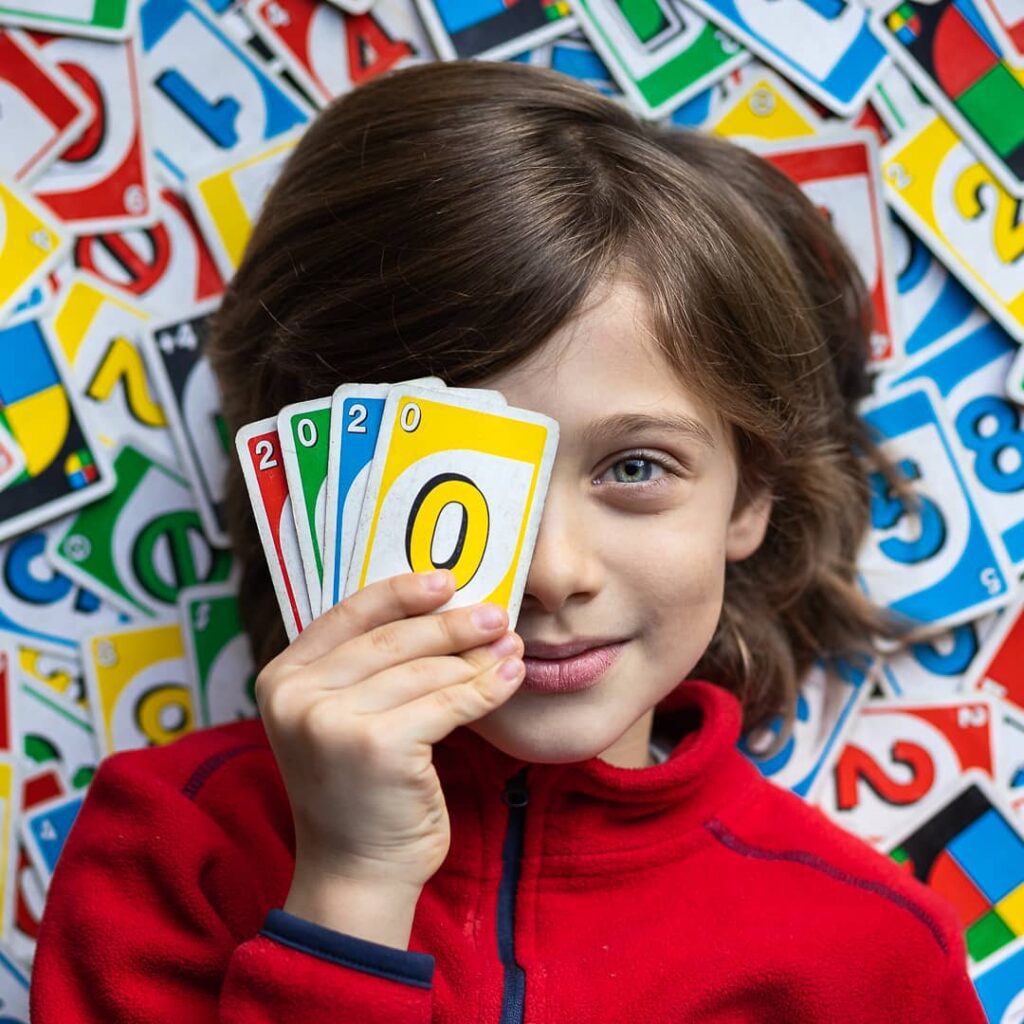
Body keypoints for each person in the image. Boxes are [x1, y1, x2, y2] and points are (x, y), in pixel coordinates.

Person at [31, 60, 986, 1021]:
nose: (551, 573)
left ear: (752, 497)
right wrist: (351, 890)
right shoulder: (166, 842)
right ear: (313, 492)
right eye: (463, 483)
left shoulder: (872, 956)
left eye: (636, 468)